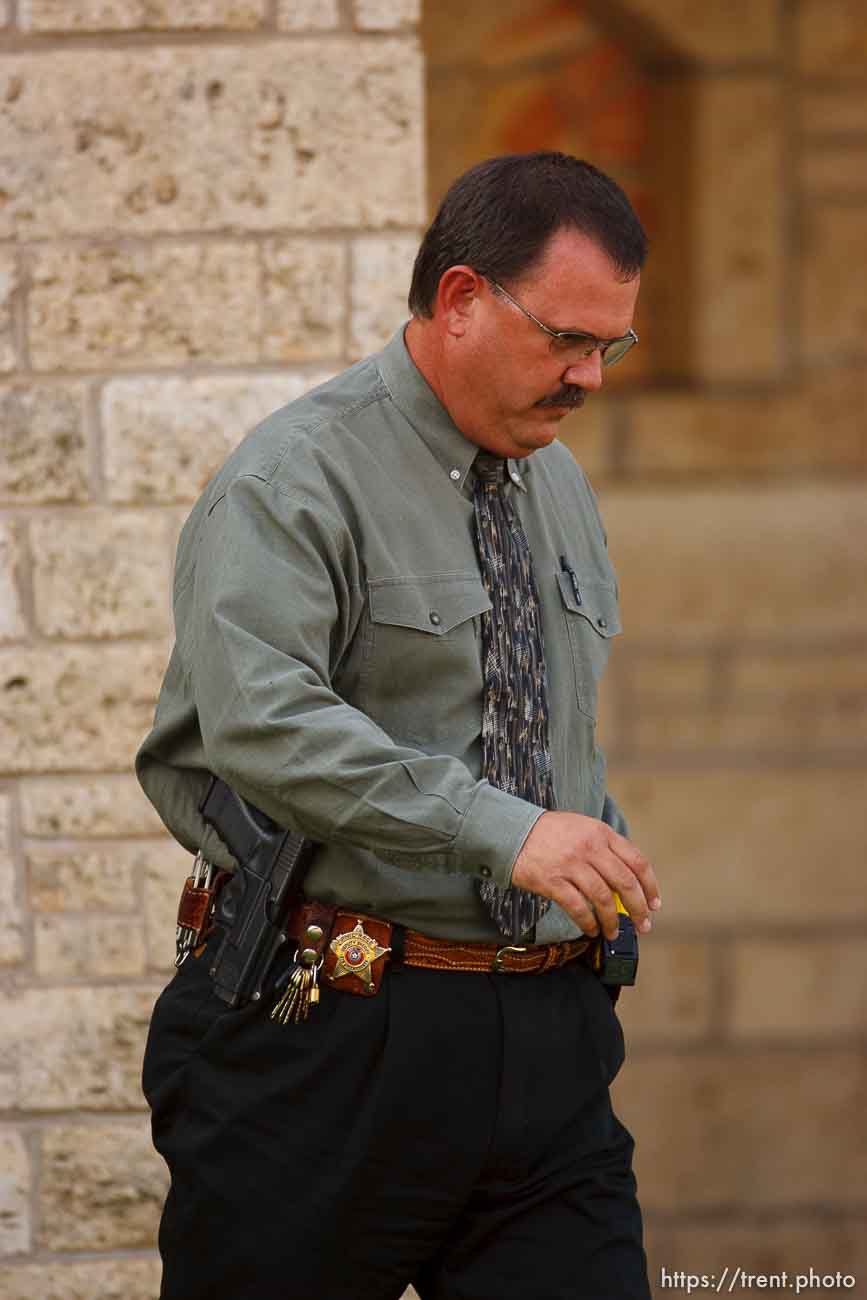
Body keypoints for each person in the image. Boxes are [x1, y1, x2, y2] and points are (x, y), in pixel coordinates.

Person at [138, 151, 662, 1300]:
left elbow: (541, 716)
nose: (591, 376)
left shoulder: (556, 482)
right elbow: (264, 726)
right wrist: (510, 830)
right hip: (323, 1044)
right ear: (463, 296)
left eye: (609, 347)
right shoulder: (293, 478)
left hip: (549, 1051)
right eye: (568, 338)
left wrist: (594, 847)